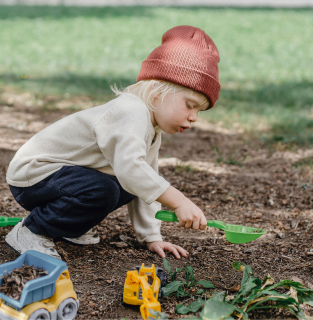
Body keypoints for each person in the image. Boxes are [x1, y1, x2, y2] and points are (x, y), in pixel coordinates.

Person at [5, 25, 220, 260]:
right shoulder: (131, 112)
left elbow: (145, 181)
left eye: (200, 111)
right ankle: (32, 231)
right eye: (190, 105)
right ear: (158, 91)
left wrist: (152, 237)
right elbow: (131, 170)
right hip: (33, 175)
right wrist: (179, 202)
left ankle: (67, 227)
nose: (193, 117)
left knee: (129, 184)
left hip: (61, 177)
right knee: (105, 189)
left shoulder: (151, 127)